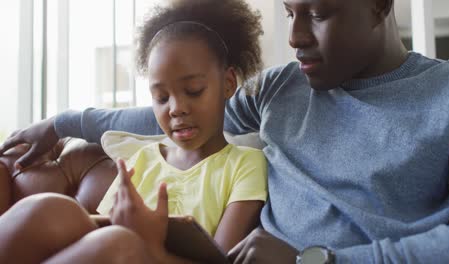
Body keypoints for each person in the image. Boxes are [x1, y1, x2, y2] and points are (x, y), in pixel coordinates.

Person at [1, 0, 449, 263]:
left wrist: (317, 261)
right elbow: (173, 115)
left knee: (116, 250)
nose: (295, 37)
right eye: (290, 13)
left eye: (319, 14)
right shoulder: (281, 89)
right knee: (48, 213)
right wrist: (64, 122)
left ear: (378, 5)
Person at [0, 0, 268, 263]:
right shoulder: (143, 159)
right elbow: (99, 229)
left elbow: (223, 259)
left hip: (137, 255)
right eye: (162, 97)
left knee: (121, 244)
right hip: (113, 250)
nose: (176, 109)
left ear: (229, 83)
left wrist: (150, 247)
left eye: (194, 91)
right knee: (51, 209)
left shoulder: (245, 164)